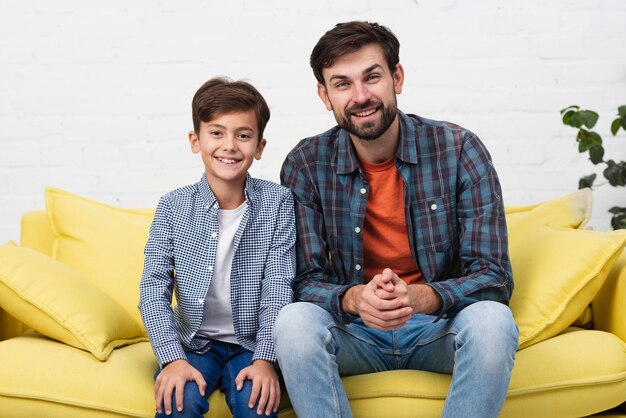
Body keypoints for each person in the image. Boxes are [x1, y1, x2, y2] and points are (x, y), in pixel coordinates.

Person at [274, 21, 518, 418]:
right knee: (293, 322)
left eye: (372, 77)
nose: (361, 96)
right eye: (342, 84)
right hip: (354, 332)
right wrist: (355, 299)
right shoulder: (306, 163)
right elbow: (301, 280)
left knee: (494, 321)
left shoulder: (459, 149)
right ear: (324, 95)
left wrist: (421, 297)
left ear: (397, 77)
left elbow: (494, 275)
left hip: (439, 328)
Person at [139, 77, 295, 418]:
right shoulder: (173, 206)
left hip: (252, 345)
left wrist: (266, 359)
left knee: (257, 404)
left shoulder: (278, 203)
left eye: (243, 134)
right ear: (195, 141)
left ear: (260, 146)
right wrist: (172, 358)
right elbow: (152, 288)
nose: (230, 145)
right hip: (193, 345)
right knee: (180, 401)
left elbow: (279, 287)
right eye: (216, 132)